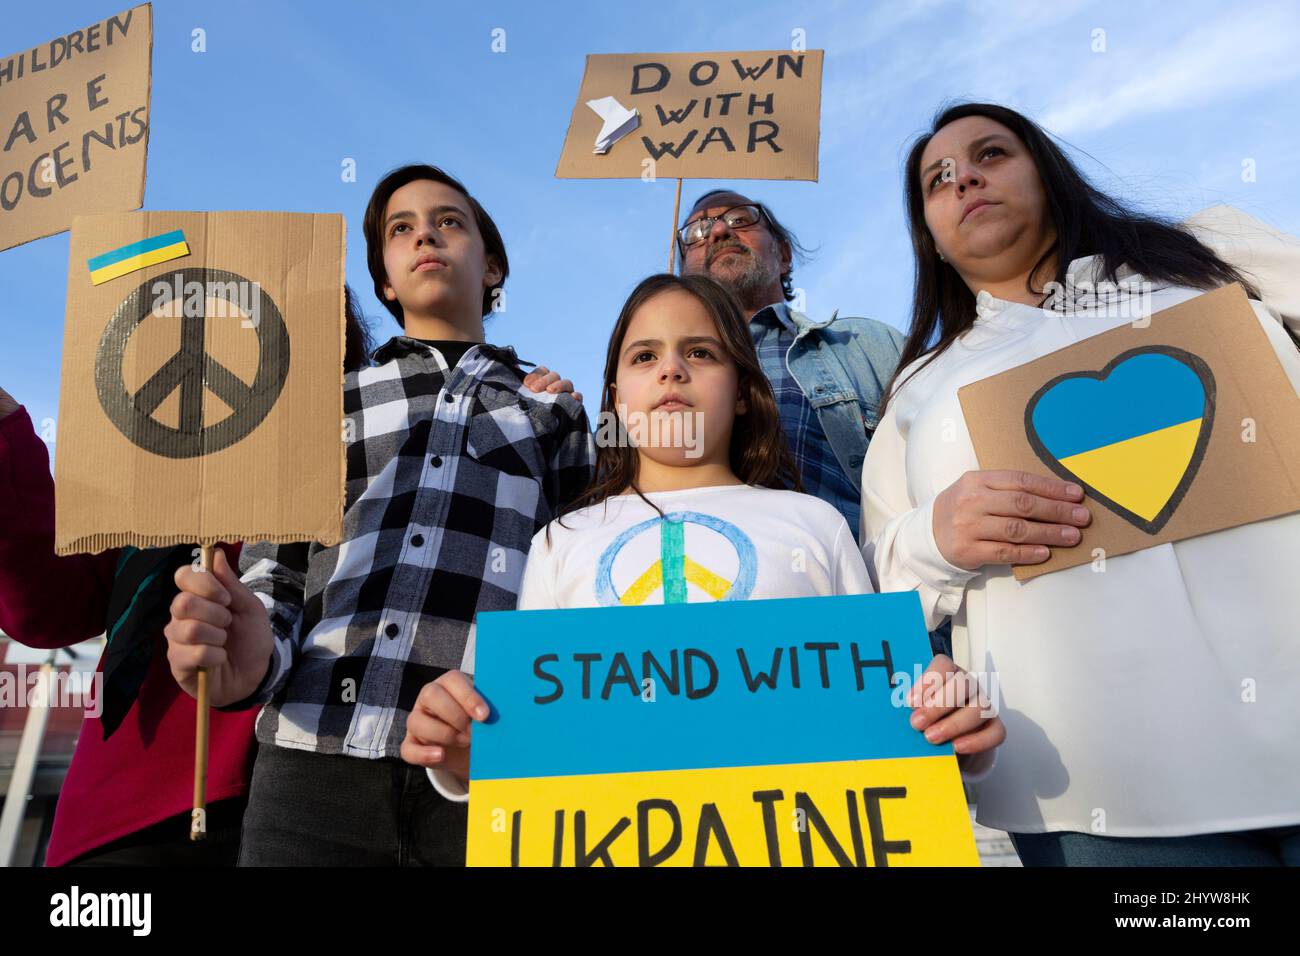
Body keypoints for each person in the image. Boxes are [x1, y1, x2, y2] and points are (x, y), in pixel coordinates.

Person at [860, 102, 1300, 866]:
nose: (964, 176)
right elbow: (876, 584)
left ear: (1047, 171)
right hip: (1097, 801)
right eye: (938, 180)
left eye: (990, 154)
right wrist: (936, 535)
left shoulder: (1212, 253)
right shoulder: (917, 392)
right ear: (928, 233)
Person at [401, 273, 1005, 805]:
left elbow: (883, 705)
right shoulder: (562, 540)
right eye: (643, 357)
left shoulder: (814, 523)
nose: (671, 369)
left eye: (699, 351)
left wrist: (949, 725)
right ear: (616, 399)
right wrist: (461, 749)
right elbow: (526, 736)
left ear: (743, 392)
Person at [162, 165, 595, 866]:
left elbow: (585, 588)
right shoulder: (319, 402)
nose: (425, 232)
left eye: (450, 220)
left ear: (492, 267)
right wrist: (248, 658)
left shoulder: (554, 408)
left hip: (486, 758)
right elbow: (277, 577)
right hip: (309, 766)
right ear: (386, 281)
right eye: (402, 228)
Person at [0, 285, 375, 866]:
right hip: (138, 812)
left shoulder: (390, 459)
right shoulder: (154, 480)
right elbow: (47, 607)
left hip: (335, 810)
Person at [677, 189, 904, 541]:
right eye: (696, 233)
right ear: (682, 277)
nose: (719, 232)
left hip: (849, 587)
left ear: (783, 255)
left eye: (740, 219)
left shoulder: (871, 345)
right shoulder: (651, 378)